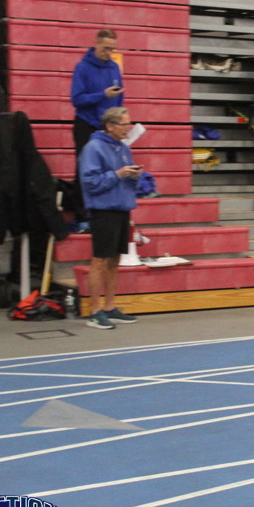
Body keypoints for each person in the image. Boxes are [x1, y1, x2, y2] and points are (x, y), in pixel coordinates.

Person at [78, 107, 141, 330]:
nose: (128, 128)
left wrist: (134, 176)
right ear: (110, 126)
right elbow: (90, 182)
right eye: (124, 124)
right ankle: (95, 312)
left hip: (122, 209)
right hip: (103, 211)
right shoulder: (93, 148)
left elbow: (127, 179)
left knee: (115, 260)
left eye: (129, 124)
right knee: (99, 261)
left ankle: (110, 306)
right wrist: (118, 174)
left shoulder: (123, 148)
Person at [70, 29, 124, 226]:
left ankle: (103, 212)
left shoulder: (114, 68)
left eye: (112, 49)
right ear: (96, 44)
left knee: (109, 169)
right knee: (84, 170)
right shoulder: (82, 67)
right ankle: (81, 215)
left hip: (107, 127)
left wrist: (120, 122)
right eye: (106, 48)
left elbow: (120, 97)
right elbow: (76, 99)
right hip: (85, 124)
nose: (109, 53)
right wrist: (102, 95)